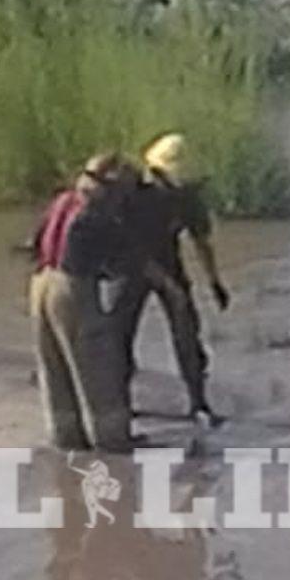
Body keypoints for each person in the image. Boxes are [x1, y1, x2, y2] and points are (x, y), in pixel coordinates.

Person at [121, 133, 230, 425]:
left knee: (186, 330)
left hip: (169, 261)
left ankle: (198, 403)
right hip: (132, 265)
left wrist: (214, 282)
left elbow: (201, 242)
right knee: (120, 333)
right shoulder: (135, 195)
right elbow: (126, 242)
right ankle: (118, 401)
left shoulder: (189, 199)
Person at [31, 153, 137, 452]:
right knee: (97, 365)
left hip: (41, 283)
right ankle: (112, 441)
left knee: (54, 368)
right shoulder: (96, 216)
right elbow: (119, 265)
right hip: (72, 289)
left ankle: (66, 438)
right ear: (110, 186)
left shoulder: (63, 201)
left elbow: (35, 243)